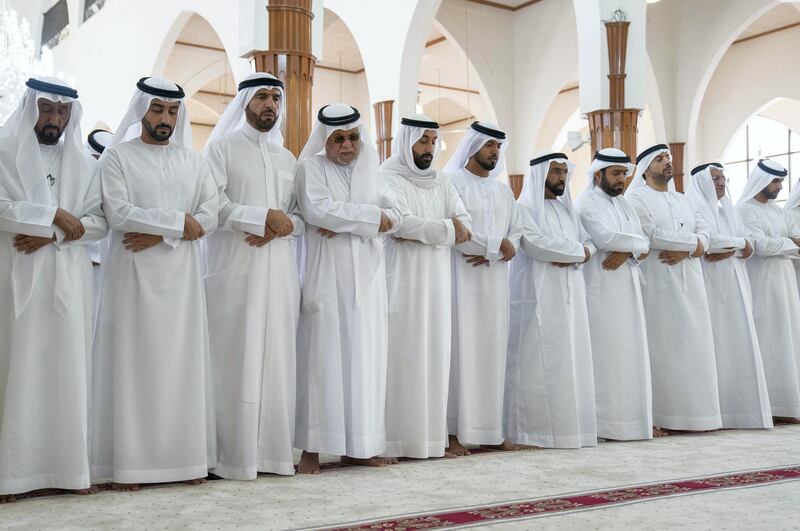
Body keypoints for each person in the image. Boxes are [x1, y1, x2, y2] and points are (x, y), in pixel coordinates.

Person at [91, 77, 218, 488]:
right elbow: (120, 214)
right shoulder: (118, 157)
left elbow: (210, 216)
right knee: (135, 363)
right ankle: (129, 465)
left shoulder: (195, 161)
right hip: (132, 278)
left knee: (180, 364)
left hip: (181, 281)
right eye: (158, 109)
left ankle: (185, 462)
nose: (165, 118)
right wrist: (181, 223)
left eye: (173, 110)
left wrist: (165, 232)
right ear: (142, 109)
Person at [0, 77, 107, 502]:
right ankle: (11, 476)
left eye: (63, 112)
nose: (54, 119)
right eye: (47, 109)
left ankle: (68, 470)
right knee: (17, 368)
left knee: (68, 371)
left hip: (69, 284)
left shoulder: (85, 163)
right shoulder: (4, 151)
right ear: (31, 107)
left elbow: (100, 222)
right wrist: (53, 214)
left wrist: (56, 234)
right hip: (16, 282)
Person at [203, 73, 303, 479]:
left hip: (279, 271)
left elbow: (299, 213)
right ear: (244, 102)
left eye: (276, 98)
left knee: (277, 358)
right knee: (234, 358)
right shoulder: (220, 149)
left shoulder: (287, 158)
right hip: (236, 270)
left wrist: (282, 224)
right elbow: (212, 207)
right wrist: (260, 218)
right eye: (262, 97)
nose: (270, 105)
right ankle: (231, 457)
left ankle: (274, 454)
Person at [294, 104, 402, 473]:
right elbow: (317, 211)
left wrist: (349, 220)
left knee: (365, 360)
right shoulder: (311, 168)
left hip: (368, 280)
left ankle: (361, 446)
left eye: (353, 137)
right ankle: (312, 448)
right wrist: (370, 218)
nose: (346, 145)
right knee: (322, 359)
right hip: (328, 276)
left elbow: (396, 215)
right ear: (325, 139)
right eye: (338, 138)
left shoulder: (372, 169)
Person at [380, 116, 471, 459]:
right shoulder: (386, 176)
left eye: (433, 141)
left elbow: (467, 224)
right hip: (401, 281)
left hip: (436, 284)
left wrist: (437, 229)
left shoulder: (443, 182)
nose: (429, 148)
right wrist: (447, 231)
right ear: (406, 142)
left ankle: (431, 440)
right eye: (423, 141)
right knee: (402, 357)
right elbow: (401, 223)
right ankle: (394, 441)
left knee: (433, 355)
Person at [626, 144, 721, 433]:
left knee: (695, 344)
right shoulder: (635, 199)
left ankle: (699, 416)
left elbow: (707, 234)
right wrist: (693, 246)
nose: (667, 162)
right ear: (645, 168)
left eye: (668, 157)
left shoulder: (684, 199)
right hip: (659, 285)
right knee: (665, 347)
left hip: (692, 282)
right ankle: (665, 416)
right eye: (660, 159)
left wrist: (690, 247)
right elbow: (652, 235)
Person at [504, 152, 597, 449]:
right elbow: (535, 245)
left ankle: (568, 430)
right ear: (540, 174)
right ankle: (530, 432)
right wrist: (575, 252)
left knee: (568, 360)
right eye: (555, 172)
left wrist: (576, 253)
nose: (561, 177)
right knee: (534, 362)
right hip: (535, 297)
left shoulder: (568, 210)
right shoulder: (523, 208)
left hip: (570, 297)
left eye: (563, 172)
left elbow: (589, 244)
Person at [441, 121, 522, 454]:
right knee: (461, 354)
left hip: (494, 285)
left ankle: (491, 430)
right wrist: (494, 248)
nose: (494, 152)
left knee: (492, 354)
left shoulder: (503, 191)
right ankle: (453, 434)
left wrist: (504, 248)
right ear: (473, 146)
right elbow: (459, 233)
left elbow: (516, 232)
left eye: (498, 147)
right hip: (462, 282)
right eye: (489, 145)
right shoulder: (452, 183)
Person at [686, 162, 772, 429]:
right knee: (713, 344)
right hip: (708, 285)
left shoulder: (729, 210)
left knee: (736, 343)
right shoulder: (693, 208)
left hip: (736, 283)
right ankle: (713, 410)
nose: (721, 183)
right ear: (701, 183)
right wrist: (736, 244)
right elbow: (709, 244)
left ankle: (738, 410)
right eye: (715, 179)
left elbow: (750, 245)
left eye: (723, 178)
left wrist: (732, 246)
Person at [575, 148, 652, 441]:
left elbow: (645, 242)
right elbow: (604, 237)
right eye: (616, 173)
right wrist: (632, 247)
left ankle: (629, 423)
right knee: (606, 355)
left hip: (627, 286)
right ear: (599, 174)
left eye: (624, 173)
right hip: (601, 288)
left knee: (629, 354)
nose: (622, 179)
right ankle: (603, 424)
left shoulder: (625, 204)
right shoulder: (586, 203)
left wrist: (627, 249)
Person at [737, 159, 800, 422]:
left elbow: (795, 238)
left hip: (785, 282)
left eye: (781, 181)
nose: (779, 187)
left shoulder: (780, 212)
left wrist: (784, 244)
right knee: (767, 339)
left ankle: (789, 406)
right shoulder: (744, 210)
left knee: (788, 338)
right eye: (775, 181)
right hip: (761, 282)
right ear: (762, 181)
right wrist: (789, 244)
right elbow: (759, 246)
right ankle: (767, 406)